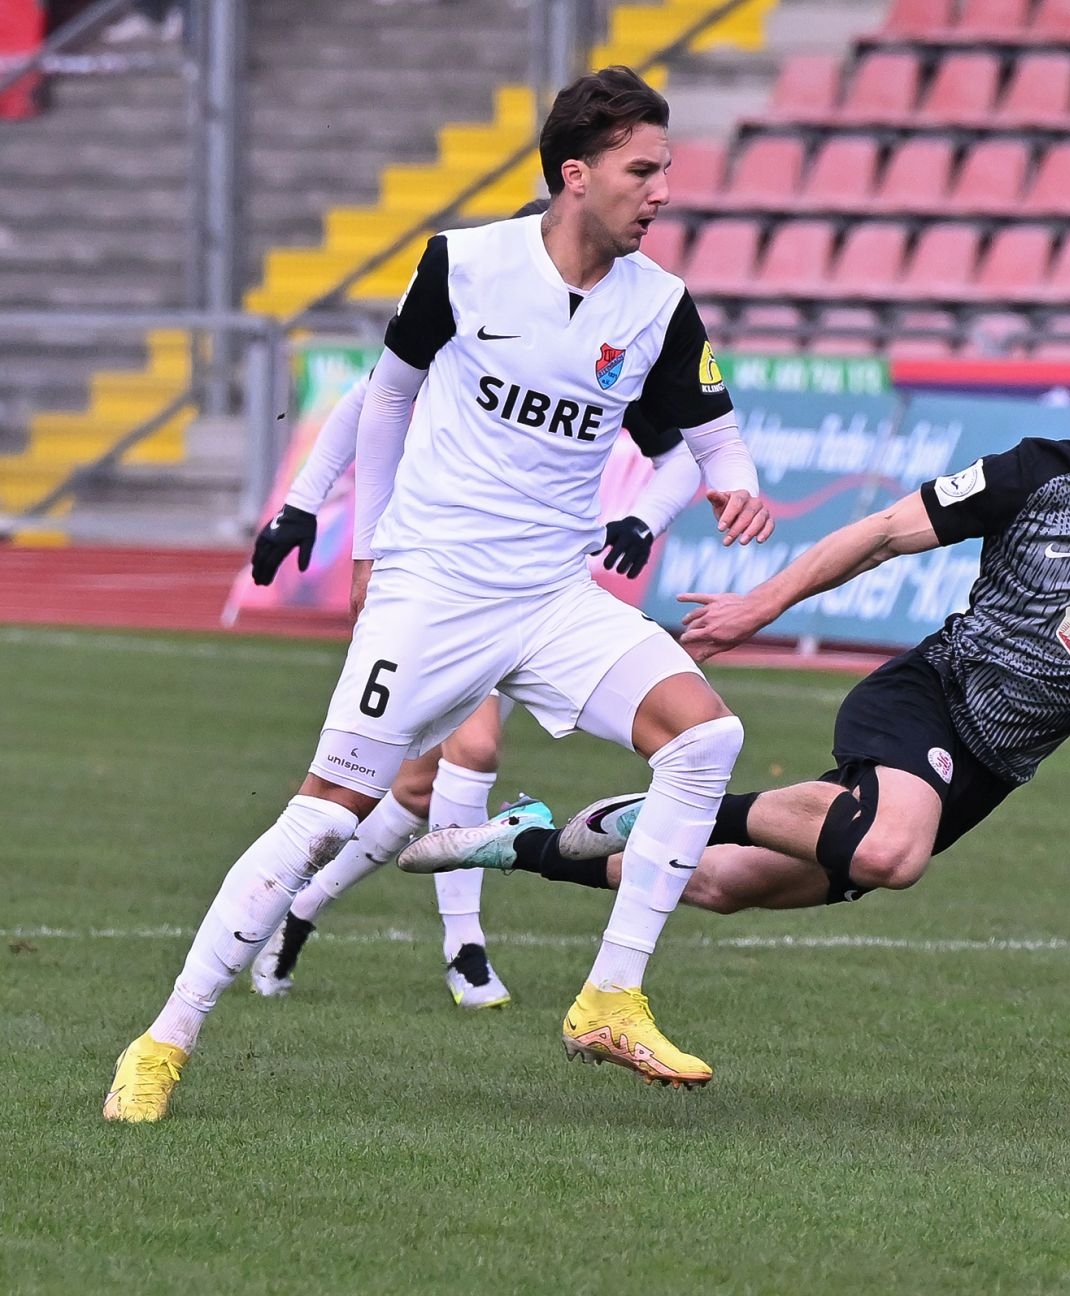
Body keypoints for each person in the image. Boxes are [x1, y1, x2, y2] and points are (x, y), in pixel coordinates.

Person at [103, 66, 770, 1123]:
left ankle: (610, 995)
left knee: (704, 739)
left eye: (667, 172)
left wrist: (733, 483)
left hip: (553, 594)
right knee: (321, 816)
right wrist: (365, 547)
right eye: (644, 171)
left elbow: (711, 430)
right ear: (576, 174)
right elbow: (388, 397)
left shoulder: (659, 305)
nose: (662, 191)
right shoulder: (464, 264)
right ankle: (163, 1040)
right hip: (437, 586)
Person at [399, 345, 1070, 931]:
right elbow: (885, 532)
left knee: (711, 884)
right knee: (892, 852)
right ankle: (666, 806)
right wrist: (764, 605)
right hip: (931, 701)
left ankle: (527, 841)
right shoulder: (1037, 473)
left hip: (992, 767)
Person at [245, 356, 704, 1008]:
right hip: (439, 587)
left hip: (539, 592)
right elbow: (363, 401)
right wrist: (302, 507)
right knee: (474, 751)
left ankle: (300, 910)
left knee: (413, 789)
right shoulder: (479, 316)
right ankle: (466, 952)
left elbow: (682, 455)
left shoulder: (599, 345)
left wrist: (642, 520)